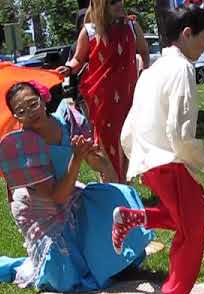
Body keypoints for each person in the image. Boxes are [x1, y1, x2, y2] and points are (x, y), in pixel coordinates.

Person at [0, 81, 154, 292]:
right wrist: (77, 158)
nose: (30, 112)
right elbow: (56, 197)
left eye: (33, 103)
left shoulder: (67, 120)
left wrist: (95, 156)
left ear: (44, 99)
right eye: (21, 111)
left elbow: (102, 168)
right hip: (38, 206)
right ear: (16, 117)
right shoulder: (23, 144)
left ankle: (113, 259)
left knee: (118, 195)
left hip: (69, 191)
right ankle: (33, 263)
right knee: (65, 279)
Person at [110, 6, 204, 294]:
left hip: (152, 160)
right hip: (168, 160)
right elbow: (180, 130)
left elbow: (129, 126)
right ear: (187, 34)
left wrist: (139, 158)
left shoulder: (152, 70)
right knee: (193, 229)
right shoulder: (181, 68)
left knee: (202, 215)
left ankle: (133, 217)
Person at [57, 0, 150, 183]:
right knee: (106, 141)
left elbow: (144, 52)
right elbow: (78, 59)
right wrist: (67, 69)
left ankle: (123, 184)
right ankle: (113, 185)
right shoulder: (90, 31)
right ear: (101, 6)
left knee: (128, 136)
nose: (120, 5)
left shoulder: (132, 26)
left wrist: (145, 73)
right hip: (102, 99)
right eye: (113, 2)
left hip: (130, 96)